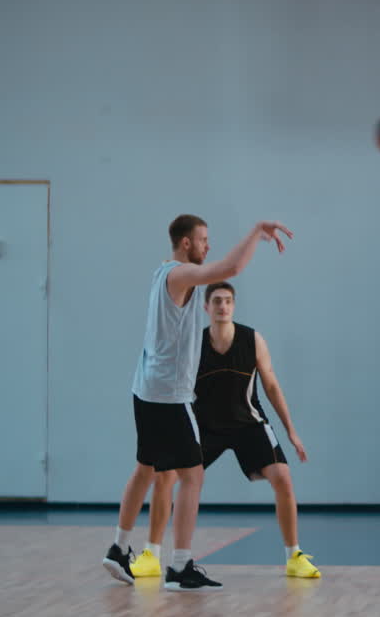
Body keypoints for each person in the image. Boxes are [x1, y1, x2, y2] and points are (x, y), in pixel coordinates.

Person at [101, 215, 292, 591]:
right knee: (193, 475)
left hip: (145, 389)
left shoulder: (162, 274)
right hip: (169, 395)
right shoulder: (180, 274)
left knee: (144, 469)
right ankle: (180, 566)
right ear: (186, 243)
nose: (208, 246)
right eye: (203, 240)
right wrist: (256, 232)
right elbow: (233, 267)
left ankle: (118, 548)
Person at [130, 281, 319, 580]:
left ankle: (294, 556)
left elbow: (270, 384)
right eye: (216, 301)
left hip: (248, 423)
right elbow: (175, 386)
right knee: (165, 477)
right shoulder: (194, 343)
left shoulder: (253, 339)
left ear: (233, 305)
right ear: (206, 308)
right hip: (205, 425)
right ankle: (151, 555)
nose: (222, 306)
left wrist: (291, 431)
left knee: (282, 477)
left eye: (228, 301)